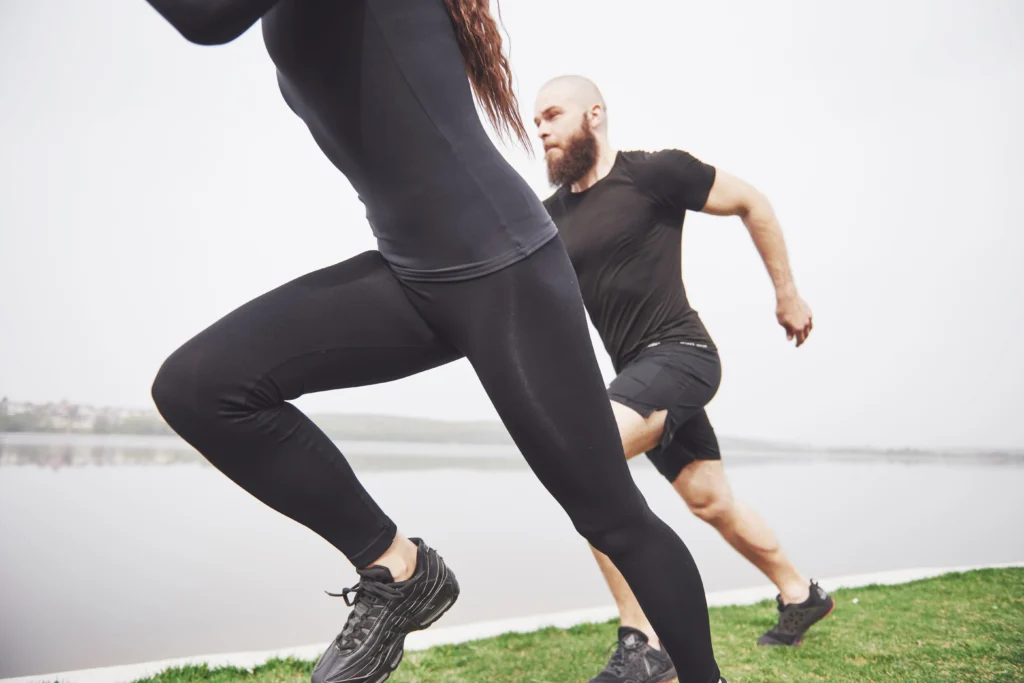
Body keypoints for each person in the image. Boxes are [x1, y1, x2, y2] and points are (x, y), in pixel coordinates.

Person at [140, 3, 727, 683]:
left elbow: (205, 17)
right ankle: (398, 568)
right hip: (411, 272)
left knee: (612, 516)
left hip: (504, 269)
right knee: (200, 386)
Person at [534, 75, 834, 683]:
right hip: (639, 375)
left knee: (586, 459)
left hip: (682, 353)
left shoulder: (654, 173)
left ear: (593, 114)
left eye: (551, 115)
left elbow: (753, 202)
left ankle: (644, 640)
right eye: (535, 121)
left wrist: (787, 294)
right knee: (710, 501)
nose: (539, 130)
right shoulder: (548, 219)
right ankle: (800, 594)